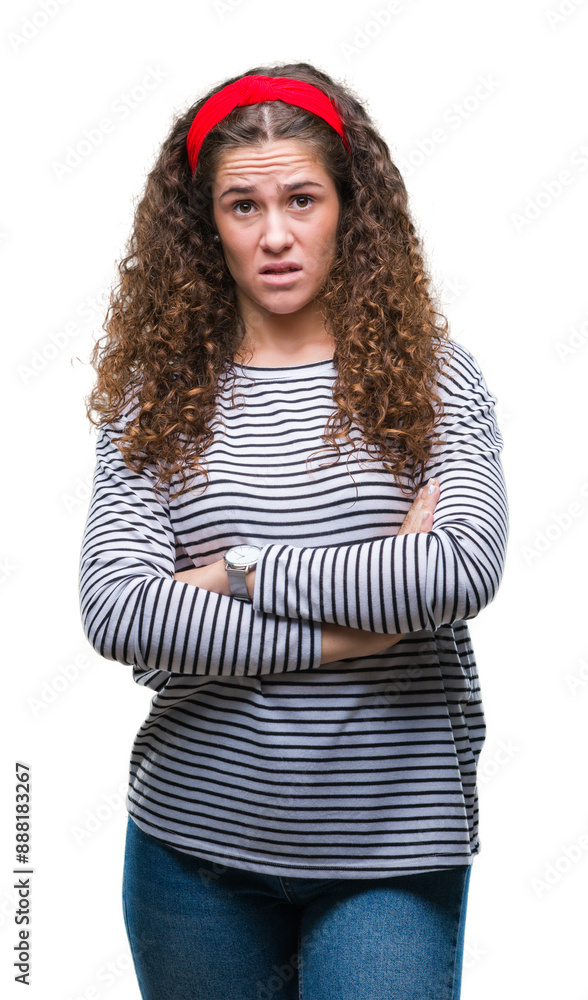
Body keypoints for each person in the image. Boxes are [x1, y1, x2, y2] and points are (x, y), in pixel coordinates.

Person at [78, 61, 509, 1000]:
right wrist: (369, 625)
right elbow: (119, 612)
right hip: (191, 847)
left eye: (302, 198)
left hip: (389, 848)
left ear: (348, 211)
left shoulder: (433, 381)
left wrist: (233, 569)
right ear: (207, 226)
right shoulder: (155, 402)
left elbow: (457, 570)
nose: (275, 235)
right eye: (243, 206)